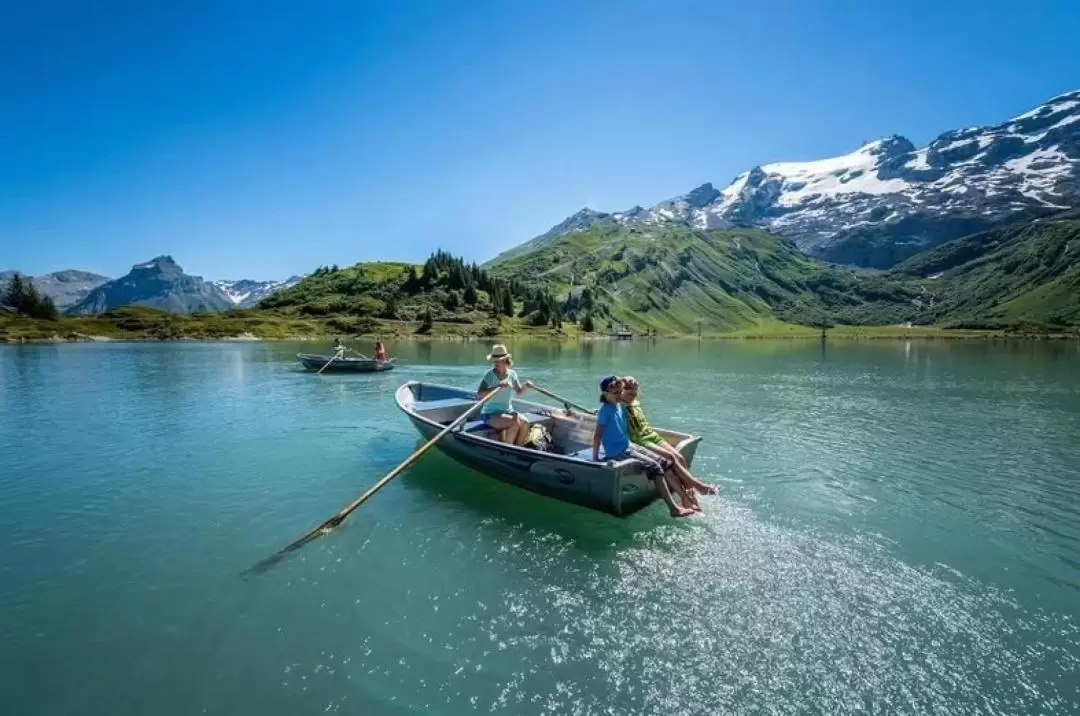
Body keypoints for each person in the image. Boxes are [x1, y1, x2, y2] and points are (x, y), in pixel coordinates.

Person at [593, 376, 694, 518]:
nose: (618, 395)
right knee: (656, 467)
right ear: (605, 394)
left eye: (620, 392)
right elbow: (597, 436)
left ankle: (685, 498)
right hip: (618, 452)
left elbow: (630, 402)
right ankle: (673, 508)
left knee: (665, 462)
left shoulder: (620, 406)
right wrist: (595, 458)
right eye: (614, 393)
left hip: (629, 445)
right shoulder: (605, 411)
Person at [620, 375, 718, 508]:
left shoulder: (636, 403)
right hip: (640, 440)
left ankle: (691, 494)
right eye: (629, 392)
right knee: (671, 457)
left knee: (679, 457)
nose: (632, 395)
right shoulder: (619, 407)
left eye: (635, 392)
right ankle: (697, 486)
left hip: (651, 435)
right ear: (622, 391)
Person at [476, 344, 535, 445]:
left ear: (505, 360)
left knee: (525, 423)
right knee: (514, 423)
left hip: (507, 411)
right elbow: (479, 395)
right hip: (490, 413)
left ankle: (519, 449)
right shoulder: (489, 375)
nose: (495, 363)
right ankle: (507, 450)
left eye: (497, 360)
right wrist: (497, 386)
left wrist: (526, 386)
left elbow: (519, 391)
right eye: (494, 360)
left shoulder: (512, 374)